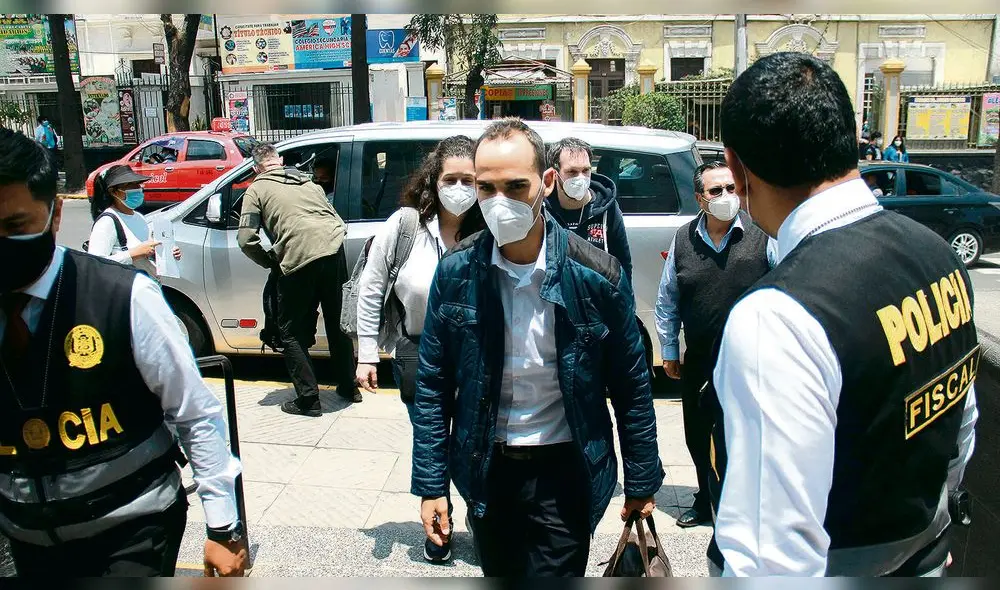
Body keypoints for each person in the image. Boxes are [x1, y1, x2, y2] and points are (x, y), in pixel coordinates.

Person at [705, 52, 979, 577]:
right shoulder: (936, 253)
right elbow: (959, 423)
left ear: (736, 170)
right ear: (849, 137)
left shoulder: (778, 317)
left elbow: (773, 561)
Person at [411, 118, 664, 577]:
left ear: (547, 183)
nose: (499, 201)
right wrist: (432, 484)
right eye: (486, 188)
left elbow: (630, 385)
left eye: (514, 185)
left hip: (565, 472)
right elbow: (433, 384)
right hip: (488, 468)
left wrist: (641, 478)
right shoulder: (456, 273)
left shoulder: (598, 276)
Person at [0, 129, 247, 577]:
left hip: (131, 528)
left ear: (54, 216)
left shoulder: (121, 298)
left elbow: (195, 412)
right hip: (28, 537)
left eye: (14, 227)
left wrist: (224, 527)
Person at [355, 135, 485, 563]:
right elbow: (372, 287)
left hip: (477, 358)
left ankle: (482, 518)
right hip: (417, 354)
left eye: (471, 179)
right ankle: (437, 525)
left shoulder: (490, 226)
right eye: (452, 178)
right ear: (434, 180)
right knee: (432, 442)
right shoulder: (406, 225)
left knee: (473, 443)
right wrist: (367, 353)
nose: (461, 187)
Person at [653, 161, 776, 529]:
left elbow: (788, 287)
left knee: (745, 436)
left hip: (752, 361)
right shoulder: (683, 240)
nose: (726, 196)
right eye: (715, 191)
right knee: (697, 433)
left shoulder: (762, 235)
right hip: (701, 361)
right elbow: (667, 299)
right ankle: (706, 500)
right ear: (699, 199)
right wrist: (670, 351)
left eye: (731, 188)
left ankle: (743, 505)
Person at [238, 143, 361, 416]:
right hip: (332, 248)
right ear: (279, 161)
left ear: (256, 168)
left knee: (290, 332)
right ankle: (349, 386)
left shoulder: (256, 188)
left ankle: (308, 399)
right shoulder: (307, 182)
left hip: (298, 258)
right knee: (336, 322)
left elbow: (246, 239)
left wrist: (270, 261)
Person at [544, 137, 633, 282]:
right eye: (572, 172)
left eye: (585, 170)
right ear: (555, 174)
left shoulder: (607, 209)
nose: (581, 178)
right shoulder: (543, 210)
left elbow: (623, 264)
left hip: (597, 299)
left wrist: (625, 300)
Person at [87, 165, 181, 277]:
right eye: (130, 185)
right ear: (114, 192)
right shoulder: (107, 221)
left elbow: (147, 250)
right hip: (124, 290)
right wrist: (133, 254)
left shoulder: (139, 217)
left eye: (138, 184)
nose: (138, 189)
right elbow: (95, 264)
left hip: (147, 285)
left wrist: (165, 253)